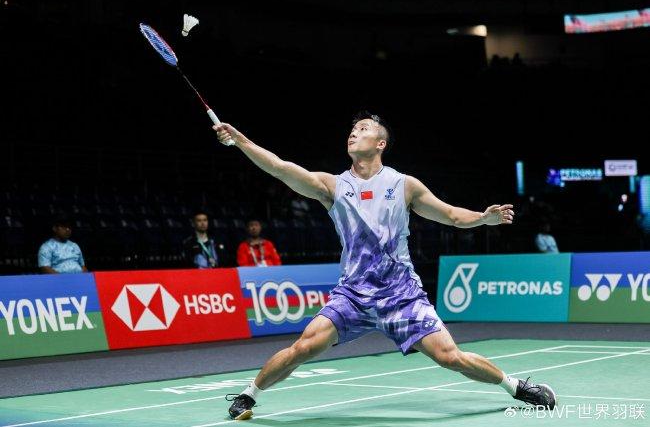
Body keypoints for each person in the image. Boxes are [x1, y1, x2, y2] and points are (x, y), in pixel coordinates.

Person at [214, 111, 555, 420]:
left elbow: (451, 215)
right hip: (353, 294)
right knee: (303, 347)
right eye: (352, 130)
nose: (353, 133)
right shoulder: (332, 186)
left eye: (362, 129)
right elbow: (279, 167)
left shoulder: (403, 185)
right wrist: (240, 140)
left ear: (381, 143)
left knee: (449, 357)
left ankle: (517, 387)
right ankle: (249, 395)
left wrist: (482, 218)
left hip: (400, 294)